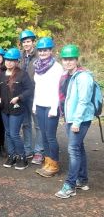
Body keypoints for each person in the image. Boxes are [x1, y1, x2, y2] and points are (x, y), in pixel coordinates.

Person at [55, 45, 95, 199]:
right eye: (65, 59)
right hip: (71, 118)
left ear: (77, 60)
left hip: (80, 119)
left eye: (71, 59)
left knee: (73, 150)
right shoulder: (69, 75)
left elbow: (84, 101)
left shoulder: (83, 77)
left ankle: (70, 185)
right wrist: (65, 117)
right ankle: (82, 180)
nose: (68, 62)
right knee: (79, 148)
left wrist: (76, 122)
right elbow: (67, 99)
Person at [32, 37, 63, 178]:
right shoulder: (37, 66)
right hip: (39, 105)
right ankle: (47, 162)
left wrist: (54, 108)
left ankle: (54, 164)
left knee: (50, 136)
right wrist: (34, 105)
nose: (43, 52)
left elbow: (58, 90)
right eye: (41, 50)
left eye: (46, 50)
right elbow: (37, 87)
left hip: (51, 107)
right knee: (43, 135)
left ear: (51, 50)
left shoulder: (57, 67)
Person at [0, 48, 33, 170]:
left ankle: (22, 157)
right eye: (7, 60)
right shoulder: (2, 74)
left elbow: (29, 90)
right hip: (5, 109)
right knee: (8, 133)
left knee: (14, 134)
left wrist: (19, 97)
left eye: (12, 60)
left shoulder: (22, 74)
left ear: (16, 61)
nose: (9, 62)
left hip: (17, 109)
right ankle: (11, 156)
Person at [19, 29, 44, 164]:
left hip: (35, 95)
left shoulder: (39, 56)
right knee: (25, 124)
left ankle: (39, 151)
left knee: (38, 125)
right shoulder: (20, 57)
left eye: (28, 41)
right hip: (23, 95)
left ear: (33, 42)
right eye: (24, 42)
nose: (26, 44)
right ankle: (27, 149)